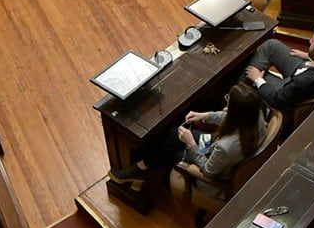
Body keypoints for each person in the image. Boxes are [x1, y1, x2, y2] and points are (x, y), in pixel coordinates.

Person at [109, 81, 265, 199]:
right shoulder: (255, 114)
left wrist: (191, 143)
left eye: (229, 99)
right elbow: (230, 117)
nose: (227, 101)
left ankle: (143, 171)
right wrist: (206, 116)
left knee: (174, 150)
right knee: (172, 135)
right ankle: (142, 167)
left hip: (211, 171)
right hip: (218, 154)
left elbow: (207, 171)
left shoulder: (225, 147)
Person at [241, 24, 314, 109]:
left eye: (312, 41)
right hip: (308, 68)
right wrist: (308, 56)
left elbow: (277, 100)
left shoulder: (302, 82)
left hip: (286, 88)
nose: (309, 42)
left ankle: (242, 87)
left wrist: (258, 79)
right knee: (271, 45)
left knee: (247, 72)